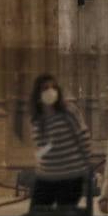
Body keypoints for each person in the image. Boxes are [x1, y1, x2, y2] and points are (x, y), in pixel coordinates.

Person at [29, 74, 92, 208]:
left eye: (53, 87)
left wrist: (86, 164)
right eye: (46, 88)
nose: (50, 91)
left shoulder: (68, 111)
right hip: (46, 175)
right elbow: (42, 147)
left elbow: (82, 136)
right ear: (39, 93)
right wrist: (41, 153)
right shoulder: (37, 119)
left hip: (71, 175)